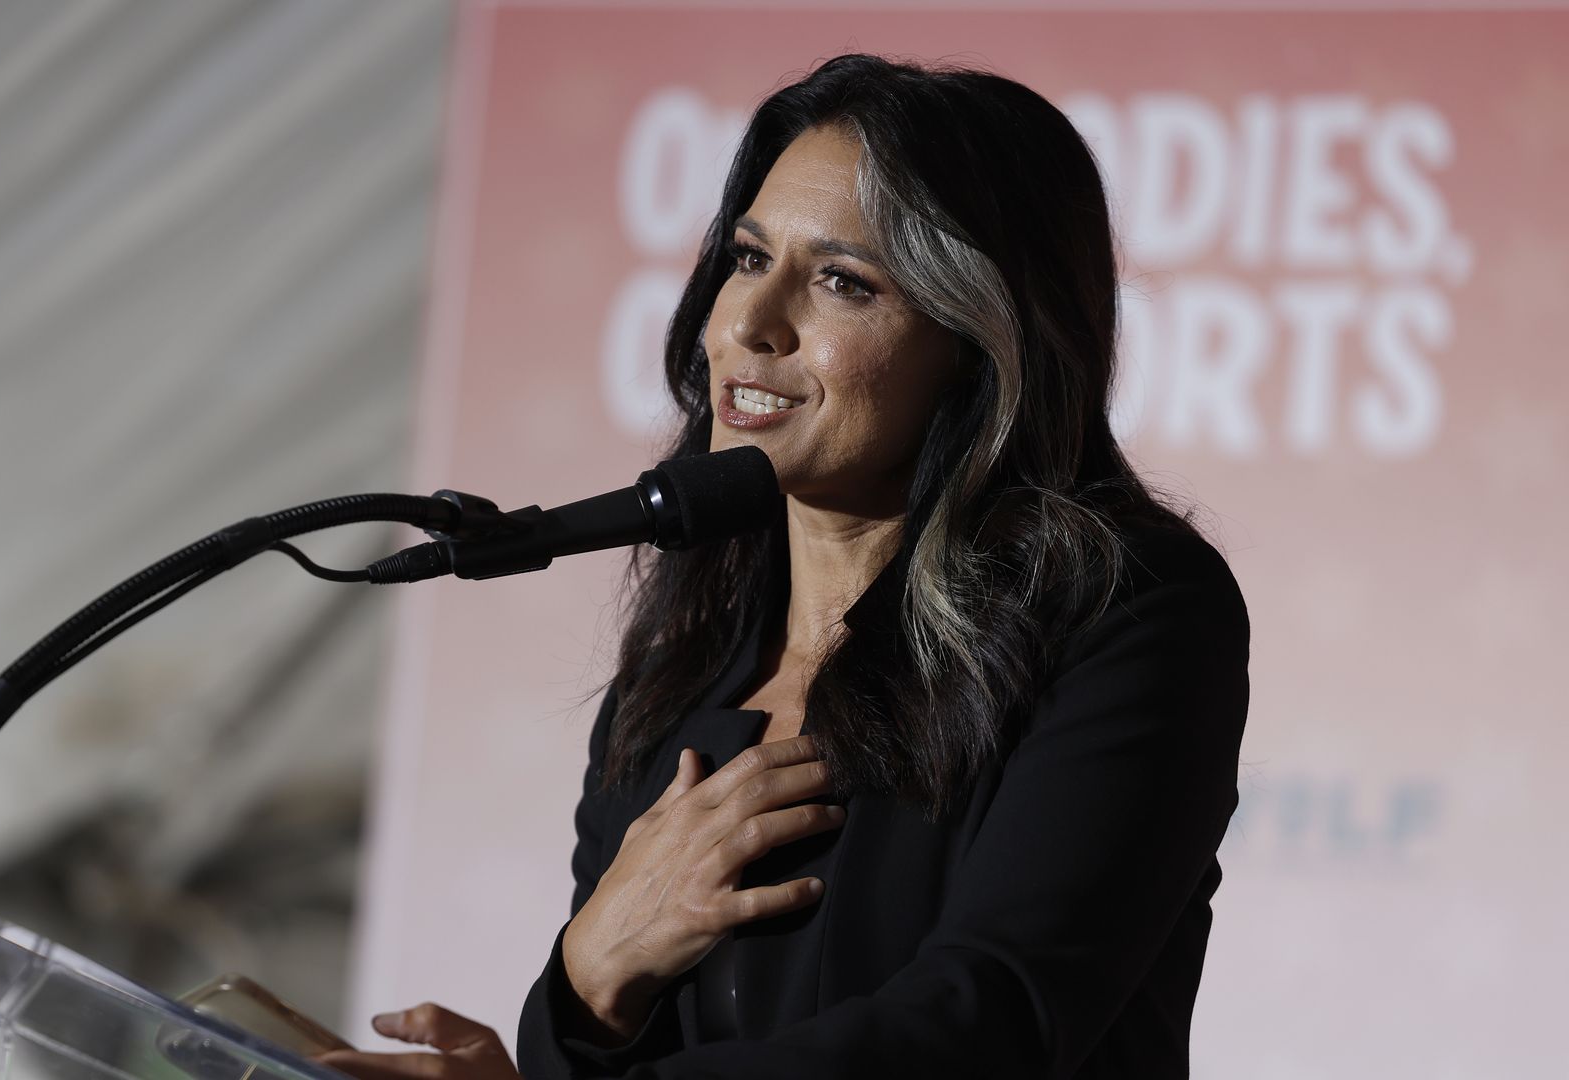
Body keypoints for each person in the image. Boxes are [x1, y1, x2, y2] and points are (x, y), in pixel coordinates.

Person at [318, 54, 1250, 1079]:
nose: (751, 327)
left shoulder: (1128, 614)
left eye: (844, 283)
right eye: (751, 259)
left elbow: (994, 1020)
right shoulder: (680, 676)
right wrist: (581, 994)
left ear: (980, 346)